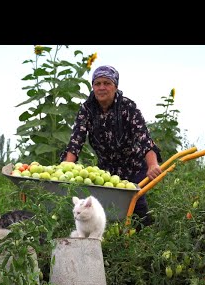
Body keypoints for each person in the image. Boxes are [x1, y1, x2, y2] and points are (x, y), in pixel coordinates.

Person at [59, 65, 163, 227]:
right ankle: (112, 241)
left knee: (136, 204)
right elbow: (76, 141)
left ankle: (146, 239)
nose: (101, 88)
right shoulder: (87, 109)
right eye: (97, 83)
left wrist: (152, 164)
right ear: (93, 86)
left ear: (115, 86)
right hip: (106, 169)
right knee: (105, 208)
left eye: (106, 83)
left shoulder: (128, 108)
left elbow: (143, 138)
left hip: (133, 166)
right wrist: (66, 168)